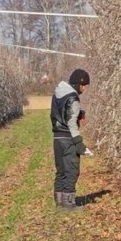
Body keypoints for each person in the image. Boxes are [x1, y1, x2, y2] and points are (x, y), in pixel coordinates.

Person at [51, 68, 90, 208]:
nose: (84, 88)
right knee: (72, 170)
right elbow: (71, 123)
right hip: (68, 138)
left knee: (61, 171)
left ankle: (60, 203)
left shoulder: (58, 93)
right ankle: (68, 205)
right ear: (76, 84)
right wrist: (79, 143)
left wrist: (79, 113)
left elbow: (62, 114)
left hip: (57, 137)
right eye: (83, 85)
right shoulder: (73, 97)